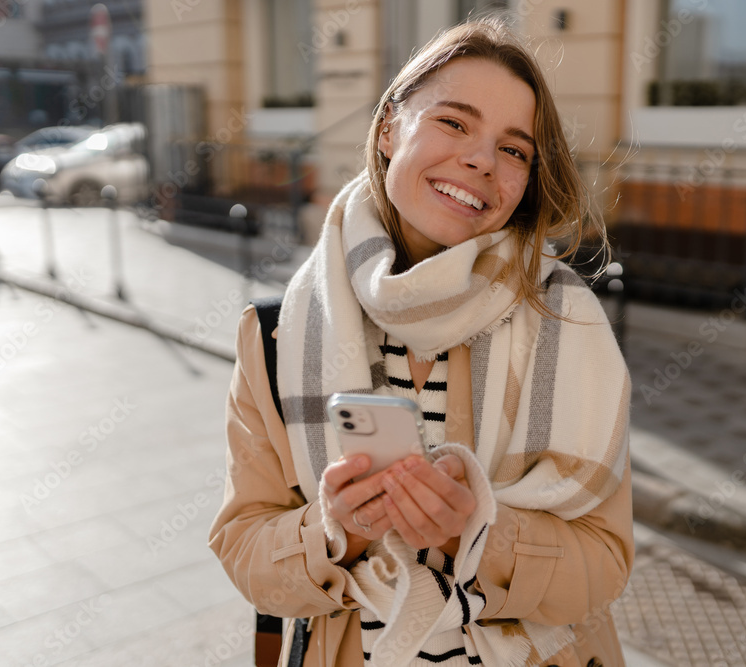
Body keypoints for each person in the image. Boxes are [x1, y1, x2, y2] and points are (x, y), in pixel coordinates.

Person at [209, 16, 633, 667]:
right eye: (454, 122)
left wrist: (479, 535)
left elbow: (605, 564)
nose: (481, 160)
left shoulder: (567, 321)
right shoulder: (273, 335)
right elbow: (243, 547)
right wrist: (336, 533)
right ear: (388, 128)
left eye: (514, 149)